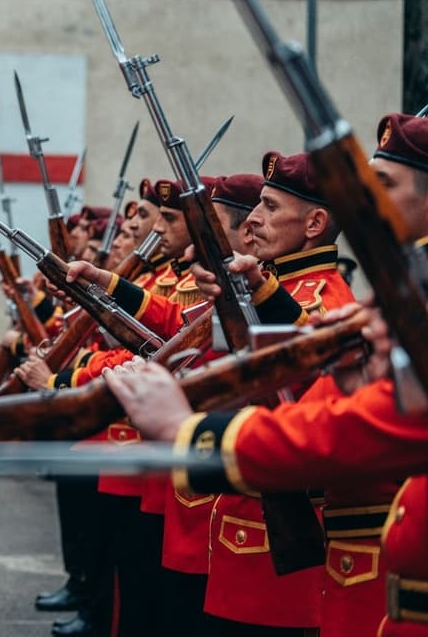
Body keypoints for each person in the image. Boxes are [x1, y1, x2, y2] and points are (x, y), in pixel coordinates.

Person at [108, 112, 428, 637]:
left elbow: (349, 426)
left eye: (382, 185)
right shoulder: (391, 297)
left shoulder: (346, 297)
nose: (361, 202)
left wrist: (190, 433)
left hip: (345, 553)